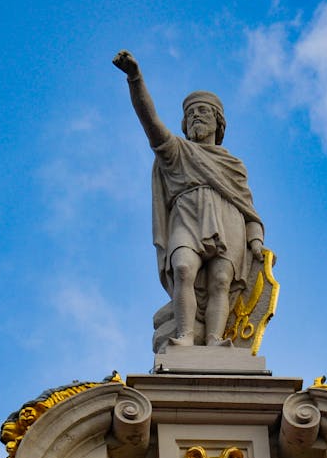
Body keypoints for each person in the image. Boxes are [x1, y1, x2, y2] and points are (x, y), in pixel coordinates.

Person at [113, 50, 264, 347]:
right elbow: (150, 123)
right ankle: (184, 335)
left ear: (218, 123)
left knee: (221, 281)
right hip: (187, 214)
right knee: (182, 268)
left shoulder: (233, 165)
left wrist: (256, 240)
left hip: (227, 218)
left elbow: (248, 208)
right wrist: (135, 78)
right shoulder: (176, 152)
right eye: (191, 113)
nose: (196, 116)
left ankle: (214, 338)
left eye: (203, 112)